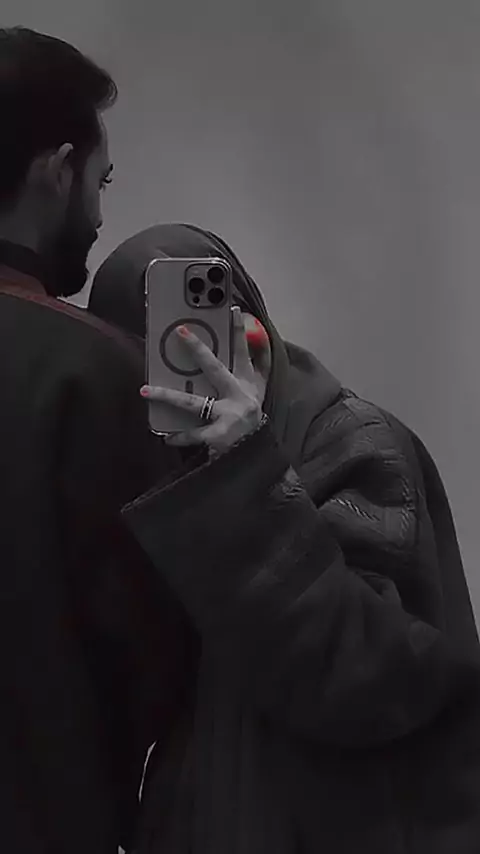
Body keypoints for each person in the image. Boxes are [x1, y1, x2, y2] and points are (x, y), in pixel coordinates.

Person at [89, 223, 480, 854]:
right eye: (167, 357)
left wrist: (246, 472)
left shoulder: (354, 441)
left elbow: (364, 673)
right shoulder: (165, 475)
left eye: (215, 336)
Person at [0, 29, 191, 853]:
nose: (101, 213)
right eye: (100, 180)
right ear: (57, 170)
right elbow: (159, 652)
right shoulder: (99, 372)